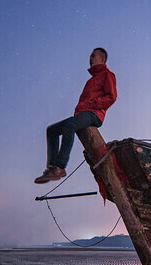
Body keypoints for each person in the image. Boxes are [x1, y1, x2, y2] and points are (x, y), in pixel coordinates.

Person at [35, 47, 116, 184]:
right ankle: (52, 167)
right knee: (52, 130)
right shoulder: (90, 81)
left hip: (94, 114)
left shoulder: (108, 75)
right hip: (83, 113)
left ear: (102, 59)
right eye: (90, 56)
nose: (90, 59)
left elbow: (111, 97)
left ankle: (60, 167)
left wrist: (92, 103)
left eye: (93, 56)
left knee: (70, 125)